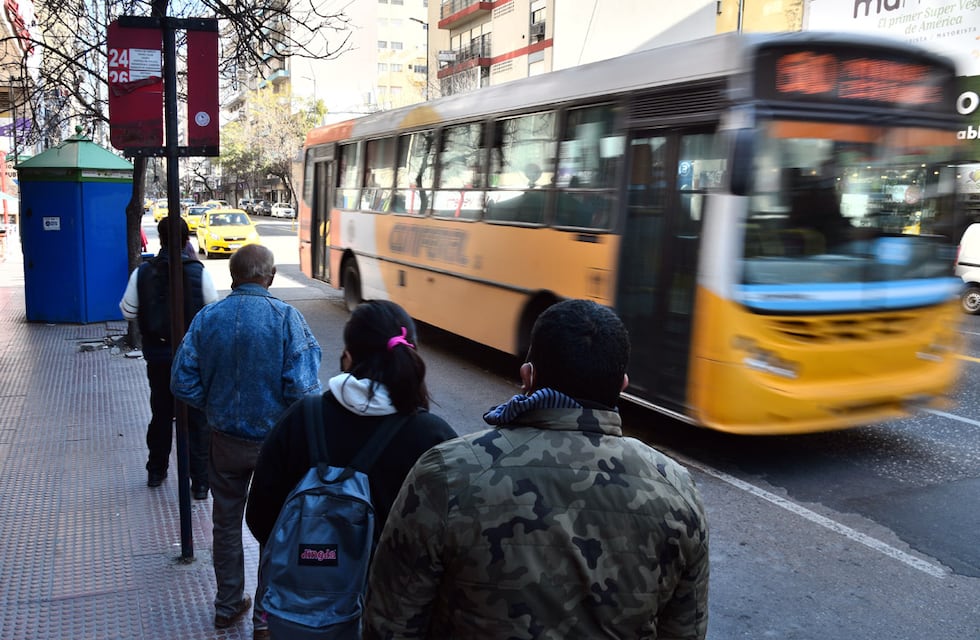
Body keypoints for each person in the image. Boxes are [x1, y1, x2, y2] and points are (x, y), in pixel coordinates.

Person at [363, 299, 710, 639]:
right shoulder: (677, 490)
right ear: (622, 385)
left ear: (527, 375)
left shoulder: (446, 474)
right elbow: (684, 630)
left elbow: (390, 625)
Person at [170, 244, 322, 639]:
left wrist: (214, 405)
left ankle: (227, 605)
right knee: (277, 529)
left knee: (225, 525)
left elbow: (181, 381)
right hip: (275, 446)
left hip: (224, 442)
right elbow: (304, 390)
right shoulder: (286, 318)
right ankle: (265, 619)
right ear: (270, 276)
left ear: (233, 276)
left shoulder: (207, 318)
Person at [246, 299, 458, 546]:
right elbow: (456, 529)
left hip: (301, 568)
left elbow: (259, 515)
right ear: (411, 353)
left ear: (348, 357)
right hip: (394, 572)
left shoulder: (300, 418)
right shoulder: (434, 437)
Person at [119, 216, 217, 496]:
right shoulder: (199, 272)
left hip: (158, 357)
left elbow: (127, 311)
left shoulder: (142, 273)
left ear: (160, 239)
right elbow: (212, 312)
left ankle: (156, 470)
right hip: (193, 359)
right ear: (187, 240)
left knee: (161, 413)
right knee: (196, 418)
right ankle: (200, 482)